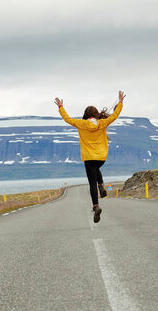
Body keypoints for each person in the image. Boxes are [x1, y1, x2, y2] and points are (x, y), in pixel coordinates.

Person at [54, 91, 126, 223]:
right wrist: (120, 102)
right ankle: (101, 186)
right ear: (96, 114)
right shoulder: (102, 123)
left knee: (91, 181)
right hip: (101, 157)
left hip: (88, 157)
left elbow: (67, 119)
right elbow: (115, 116)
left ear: (86, 116)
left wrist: (61, 107)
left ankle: (96, 205)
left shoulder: (81, 124)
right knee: (97, 169)